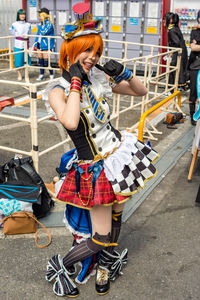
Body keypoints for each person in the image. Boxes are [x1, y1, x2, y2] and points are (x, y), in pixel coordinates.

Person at [45, 2, 158, 298]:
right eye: (87, 50)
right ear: (71, 50)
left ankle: (105, 266)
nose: (93, 58)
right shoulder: (57, 89)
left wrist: (125, 72)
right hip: (93, 167)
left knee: (119, 212)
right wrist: (74, 81)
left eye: (96, 51)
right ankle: (60, 264)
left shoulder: (98, 78)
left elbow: (141, 91)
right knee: (100, 235)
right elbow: (70, 120)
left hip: (118, 155)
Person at [163, 12, 188, 94]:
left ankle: (172, 90)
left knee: (173, 70)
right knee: (178, 70)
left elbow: (176, 42)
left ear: (170, 21)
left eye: (164, 20)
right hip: (181, 52)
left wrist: (171, 52)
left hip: (177, 53)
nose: (163, 22)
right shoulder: (176, 28)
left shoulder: (172, 30)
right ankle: (179, 87)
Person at [9, 9, 31, 81]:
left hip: (26, 43)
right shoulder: (14, 24)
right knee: (18, 59)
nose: (22, 16)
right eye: (21, 14)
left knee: (26, 59)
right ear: (18, 15)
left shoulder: (28, 24)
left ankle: (26, 74)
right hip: (18, 43)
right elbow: (12, 33)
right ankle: (19, 74)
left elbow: (30, 33)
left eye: (24, 14)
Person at [34, 7, 55, 81]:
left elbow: (43, 32)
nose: (39, 17)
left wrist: (39, 26)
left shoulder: (49, 24)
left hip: (46, 45)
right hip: (39, 45)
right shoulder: (41, 24)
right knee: (40, 62)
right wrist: (35, 44)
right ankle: (41, 74)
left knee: (47, 62)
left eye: (40, 15)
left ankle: (51, 75)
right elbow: (37, 35)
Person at [188, 10, 200, 126]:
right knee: (194, 91)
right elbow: (193, 47)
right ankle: (192, 116)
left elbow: (197, 46)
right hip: (195, 65)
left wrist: (198, 45)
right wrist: (196, 46)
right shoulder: (195, 31)